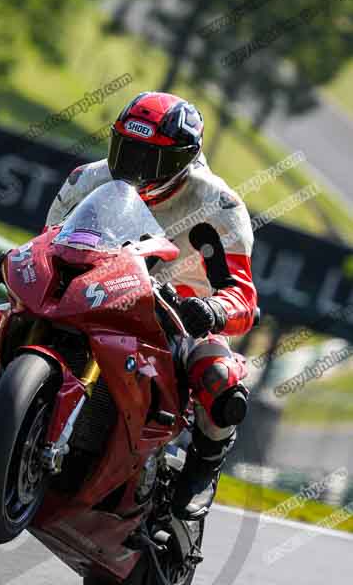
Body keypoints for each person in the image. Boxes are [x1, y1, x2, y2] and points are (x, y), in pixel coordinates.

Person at [44, 91, 258, 519]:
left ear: (183, 159)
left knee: (221, 380)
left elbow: (244, 298)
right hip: (98, 296)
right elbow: (47, 242)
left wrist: (214, 310)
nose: (137, 167)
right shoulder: (87, 180)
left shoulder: (216, 205)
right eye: (128, 150)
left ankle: (203, 465)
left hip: (179, 319)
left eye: (152, 158)